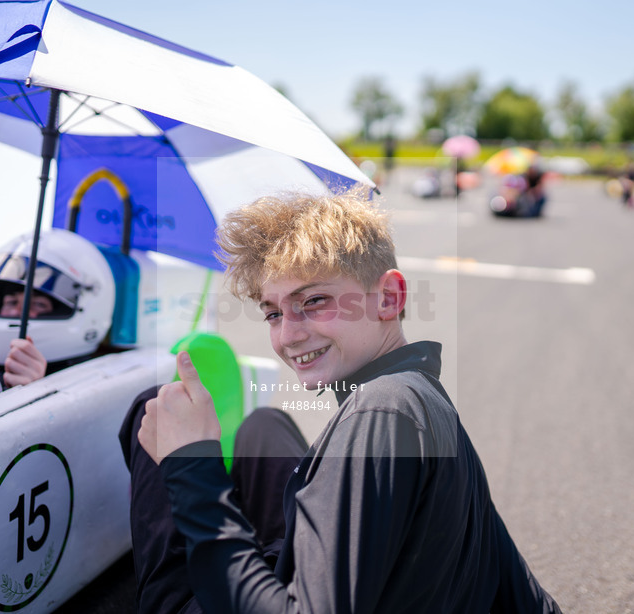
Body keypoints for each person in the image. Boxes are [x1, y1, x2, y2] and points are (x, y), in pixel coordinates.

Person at [123, 189, 562, 612]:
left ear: (389, 298)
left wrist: (191, 467)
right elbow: (511, 577)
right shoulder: (421, 393)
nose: (288, 335)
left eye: (313, 301)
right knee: (265, 426)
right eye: (273, 313)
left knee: (154, 408)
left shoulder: (381, 410)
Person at [0, 228, 116, 394]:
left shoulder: (82, 385)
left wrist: (34, 395)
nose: (16, 312)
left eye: (38, 304)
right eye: (11, 301)